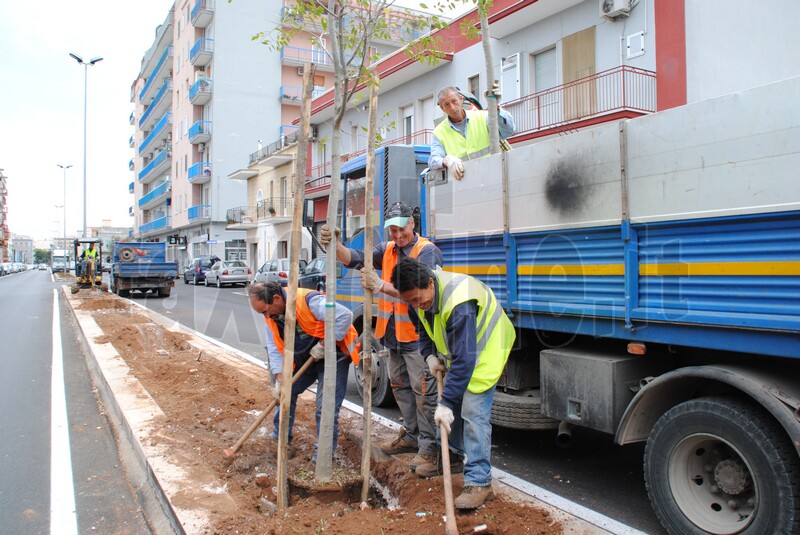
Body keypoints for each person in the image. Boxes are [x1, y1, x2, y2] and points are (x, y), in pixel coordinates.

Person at [319, 202, 443, 470]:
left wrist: (380, 286)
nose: (397, 236)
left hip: (417, 337)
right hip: (392, 335)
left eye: (401, 229)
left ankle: (430, 448)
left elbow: (422, 293)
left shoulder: (426, 251)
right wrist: (336, 244)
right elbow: (353, 258)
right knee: (401, 389)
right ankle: (411, 436)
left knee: (425, 394)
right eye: (392, 230)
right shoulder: (387, 250)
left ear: (412, 223)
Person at [391, 256, 516, 510]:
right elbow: (424, 330)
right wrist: (429, 356)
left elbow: (465, 360)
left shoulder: (459, 302)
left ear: (430, 283)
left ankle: (480, 480)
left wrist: (446, 402)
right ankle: (454, 457)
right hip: (462, 352)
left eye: (418, 299)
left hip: (486, 350)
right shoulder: (414, 301)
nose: (417, 305)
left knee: (470, 411)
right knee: (451, 404)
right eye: (410, 301)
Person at [248, 281, 360, 459]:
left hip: (333, 355)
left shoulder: (309, 301)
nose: (266, 316)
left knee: (325, 407)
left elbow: (344, 315)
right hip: (306, 357)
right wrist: (279, 378)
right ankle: (280, 439)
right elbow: (274, 345)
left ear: (276, 298)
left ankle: (322, 456)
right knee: (285, 393)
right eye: (262, 313)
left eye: (266, 310)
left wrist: (325, 344)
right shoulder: (271, 317)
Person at [428, 84, 517, 180]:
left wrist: (496, 108)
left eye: (454, 101)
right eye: (447, 104)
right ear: (442, 108)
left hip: (492, 177)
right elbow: (433, 161)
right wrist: (446, 160)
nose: (452, 107)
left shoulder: (483, 117)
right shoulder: (439, 132)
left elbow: (508, 130)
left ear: (461, 99)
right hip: (464, 184)